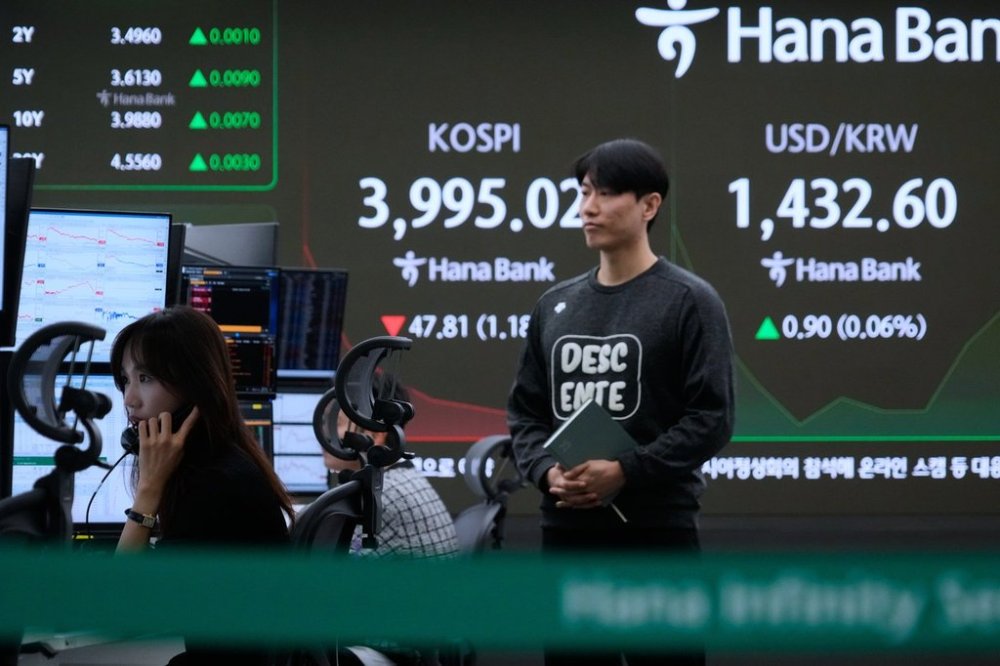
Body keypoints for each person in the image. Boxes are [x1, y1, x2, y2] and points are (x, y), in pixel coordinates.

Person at [506, 138, 735, 666]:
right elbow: (526, 412)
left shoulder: (689, 301)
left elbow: (713, 417)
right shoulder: (555, 304)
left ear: (649, 206)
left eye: (606, 194)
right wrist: (544, 472)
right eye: (584, 193)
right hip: (567, 530)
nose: (589, 207)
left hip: (656, 531)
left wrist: (626, 470)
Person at [110, 305, 294, 665]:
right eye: (125, 379)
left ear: (193, 384)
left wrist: (148, 489)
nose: (130, 399)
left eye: (145, 378)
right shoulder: (223, 461)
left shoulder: (213, 484)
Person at [322, 376, 459, 560]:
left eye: (335, 423)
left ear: (375, 434)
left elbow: (335, 581)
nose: (324, 431)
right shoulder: (401, 482)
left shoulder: (381, 500)